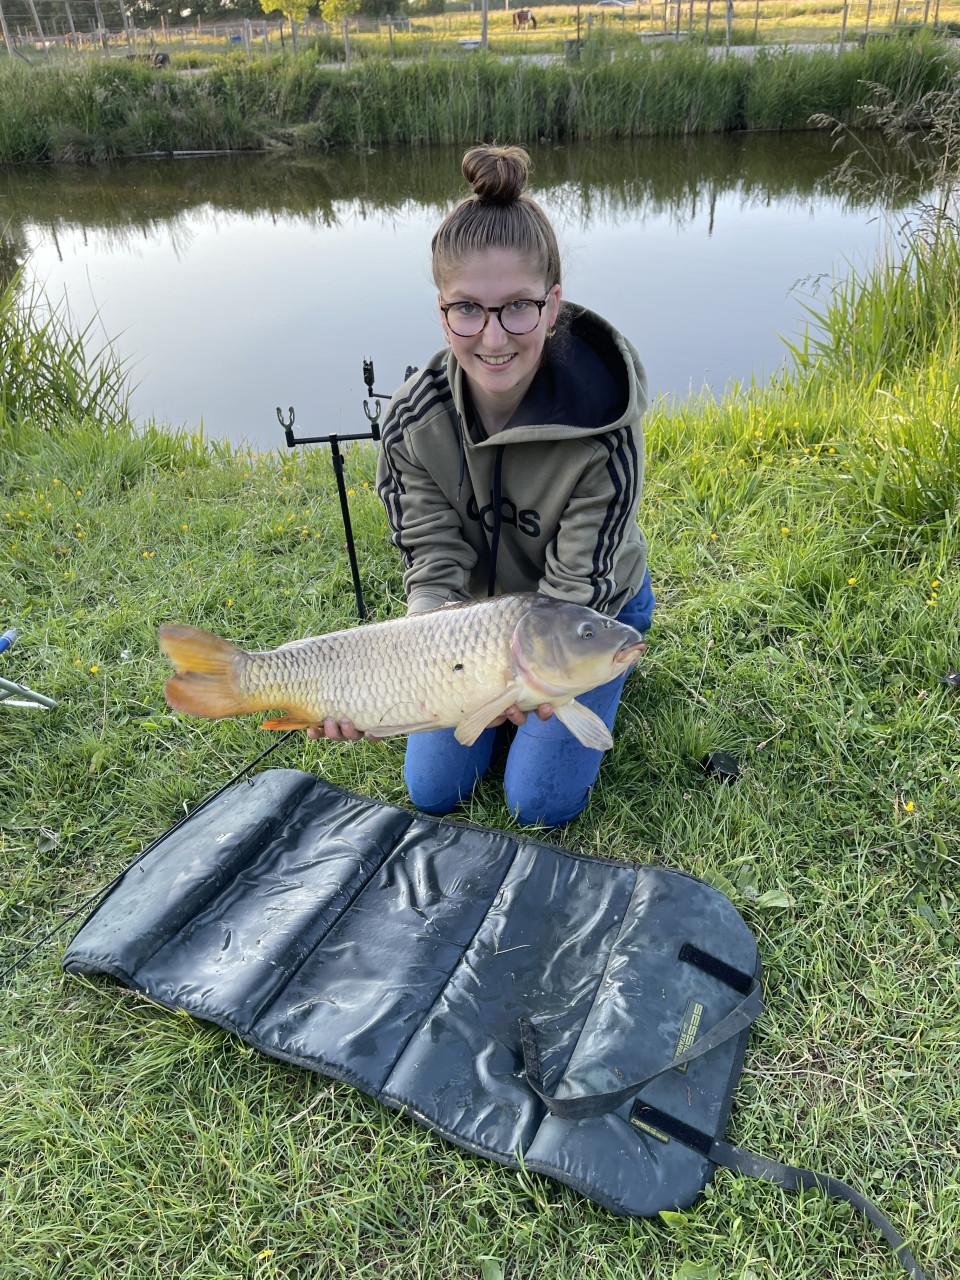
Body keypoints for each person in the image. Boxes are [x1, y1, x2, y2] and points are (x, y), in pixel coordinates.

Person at [309, 143, 653, 827]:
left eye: (517, 308)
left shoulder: (604, 426)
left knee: (539, 803)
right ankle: (493, 706)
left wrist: (531, 685)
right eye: (468, 309)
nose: (493, 338)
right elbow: (434, 569)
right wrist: (400, 682)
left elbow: (571, 594)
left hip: (579, 614)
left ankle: (609, 671)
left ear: (552, 306)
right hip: (469, 631)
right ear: (442, 312)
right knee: (434, 791)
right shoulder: (412, 420)